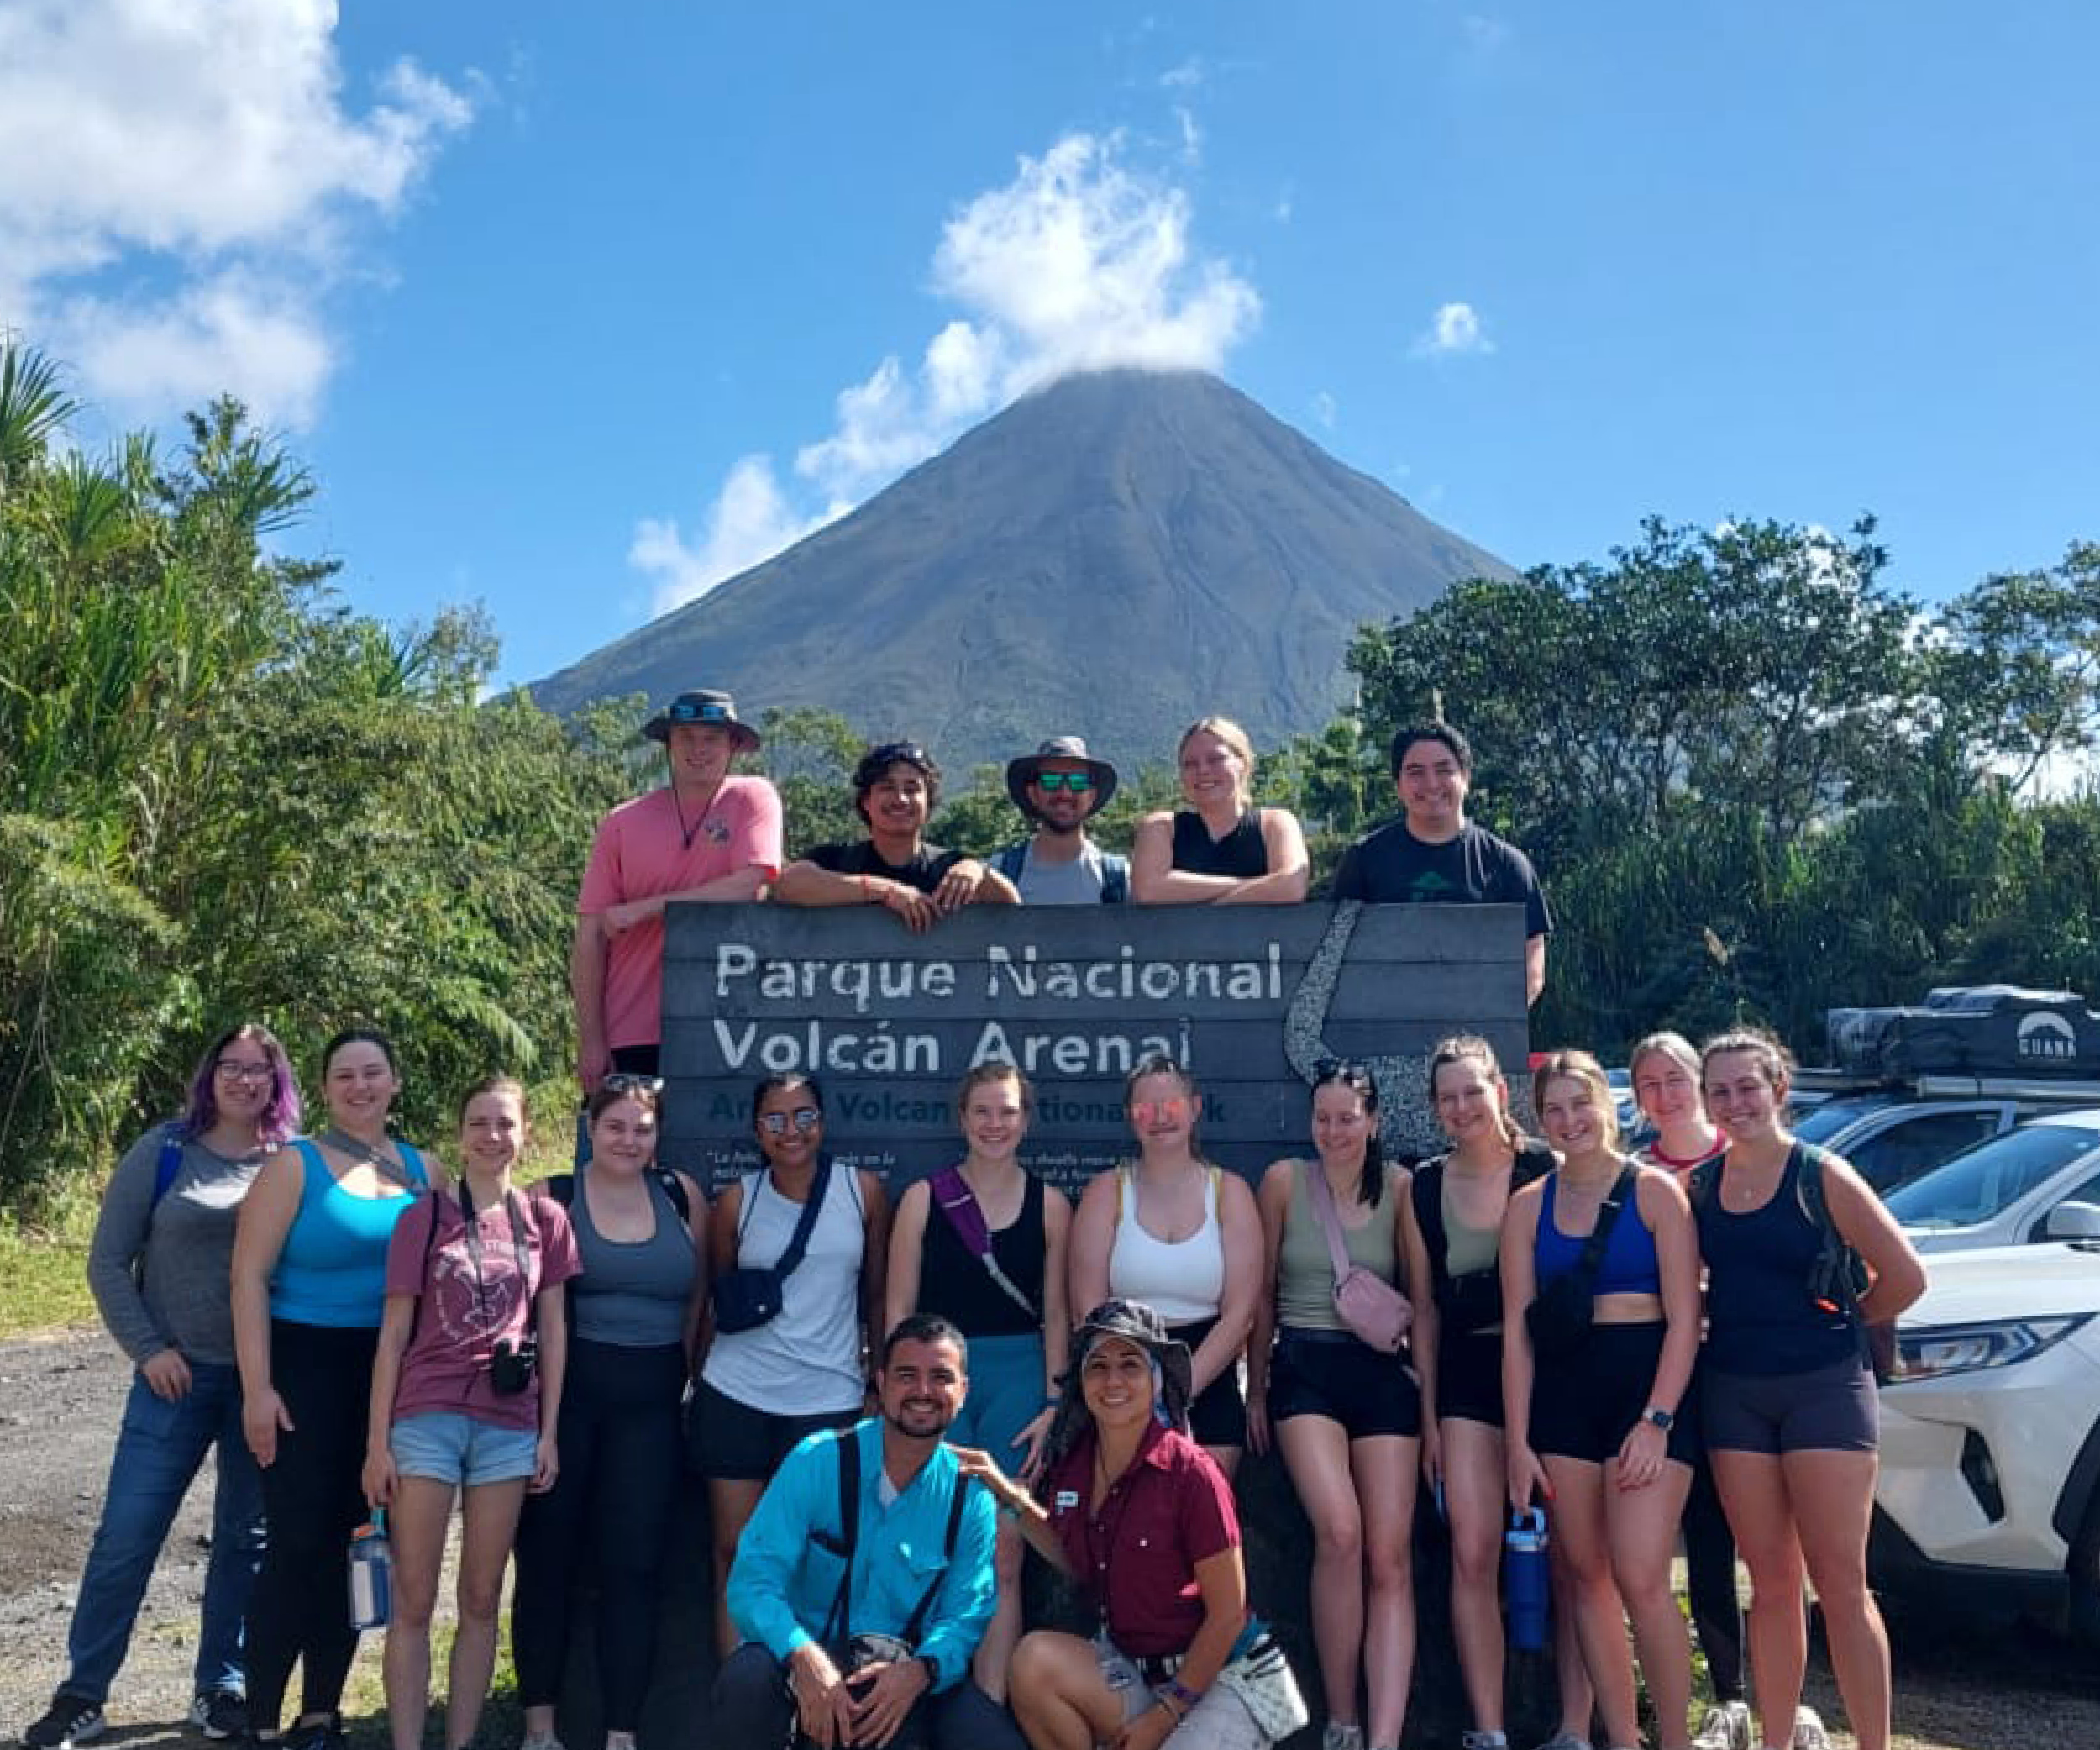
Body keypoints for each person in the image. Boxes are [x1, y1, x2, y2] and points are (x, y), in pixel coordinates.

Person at [24, 1025, 301, 1750]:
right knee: (126, 1535)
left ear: (278, 1083)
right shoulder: (165, 1150)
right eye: (232, 1066)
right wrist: (148, 1350)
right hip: (172, 1381)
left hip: (257, 1384)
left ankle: (221, 1688)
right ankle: (82, 1693)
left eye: (259, 1069)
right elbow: (108, 1262)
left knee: (247, 1539)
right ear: (209, 1075)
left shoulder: (292, 1163)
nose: (245, 1080)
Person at [1696, 1032, 1927, 1750]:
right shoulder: (1698, 1187)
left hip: (1825, 1388)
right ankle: (1774, 1740)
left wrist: (1842, 1324)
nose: (1735, 1102)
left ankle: (1871, 1743)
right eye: (1720, 1090)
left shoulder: (1819, 1173)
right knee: (1769, 1581)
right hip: (1735, 1392)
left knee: (1841, 1582)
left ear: (1778, 1090)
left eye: (1747, 1087)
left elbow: (1907, 1276)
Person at [963, 1299, 1308, 1750]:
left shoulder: (1192, 1472)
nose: (1113, 1381)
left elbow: (1227, 1616)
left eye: (1131, 1364)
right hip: (1135, 1670)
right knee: (1033, 1663)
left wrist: (1165, 1718)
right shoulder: (1074, 1463)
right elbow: (1074, 1556)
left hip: (1221, 1678)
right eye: (1098, 1366)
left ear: (1157, 1379)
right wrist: (1008, 1497)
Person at [231, 1029, 433, 1750]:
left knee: (358, 1546)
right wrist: (258, 1388)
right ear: (323, 1089)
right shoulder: (294, 1166)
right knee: (295, 1546)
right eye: (344, 1075)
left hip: (384, 1380)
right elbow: (248, 1276)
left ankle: (321, 1712)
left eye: (373, 1072)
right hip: (300, 1372)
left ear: (395, 1081)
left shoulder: (423, 1170)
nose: (360, 1086)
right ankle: (257, 1717)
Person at [363, 1077, 577, 1750]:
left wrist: (550, 1433)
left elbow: (555, 1329)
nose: (492, 1135)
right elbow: (393, 1335)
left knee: (482, 1595)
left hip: (509, 1426)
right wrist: (377, 1444)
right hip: (425, 1417)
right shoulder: (423, 1216)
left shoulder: (544, 1219)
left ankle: (459, 1741)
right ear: (459, 1134)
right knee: (415, 1596)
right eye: (479, 1122)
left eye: (505, 1123)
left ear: (525, 1132)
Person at [1502, 1052, 1702, 1750]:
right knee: (1585, 1575)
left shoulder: (1655, 1193)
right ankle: (1621, 1736)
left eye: (1579, 1103)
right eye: (1553, 1109)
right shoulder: (1528, 1208)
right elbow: (1518, 1334)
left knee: (1642, 1573)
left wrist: (1657, 1419)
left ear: (1606, 1104)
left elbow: (1684, 1318)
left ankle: (1673, 1736)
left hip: (1645, 1390)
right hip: (1563, 1398)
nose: (1568, 1120)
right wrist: (1518, 1439)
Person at [1399, 1036, 1588, 1750]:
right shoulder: (1422, 1185)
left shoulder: (1548, 1167)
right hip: (1467, 1380)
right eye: (1447, 1097)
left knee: (1577, 1556)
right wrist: (1430, 1420)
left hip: (1559, 1372)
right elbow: (1423, 1307)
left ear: (1501, 1091)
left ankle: (1574, 1724)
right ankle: (1489, 1727)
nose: (1461, 1107)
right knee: (1473, 1550)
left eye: (1472, 1091)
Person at [512, 1080, 706, 1750]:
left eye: (643, 1127)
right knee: (547, 1560)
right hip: (568, 1406)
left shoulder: (681, 1194)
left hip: (653, 1408)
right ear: (590, 1127)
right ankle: (540, 1726)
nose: (630, 1138)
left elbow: (697, 1305)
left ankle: (622, 1731)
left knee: (634, 1566)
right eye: (616, 1125)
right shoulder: (553, 1195)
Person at [714, 1313, 999, 1750]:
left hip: (902, 1677)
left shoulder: (971, 1498)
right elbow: (752, 1583)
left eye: (940, 1377)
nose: (923, 1392)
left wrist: (921, 1671)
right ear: (880, 1383)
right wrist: (803, 1658)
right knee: (747, 1677)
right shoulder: (817, 1460)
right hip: (804, 1667)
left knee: (989, 1738)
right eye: (907, 1375)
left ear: (963, 1391)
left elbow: (965, 1616)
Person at [1246, 1063, 1419, 1750]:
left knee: (1390, 1555)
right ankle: (1342, 1715)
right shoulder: (1285, 1182)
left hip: (1381, 1371)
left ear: (1373, 1121)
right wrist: (1255, 1384)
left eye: (1348, 1117)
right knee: (1340, 1531)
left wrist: (1428, 1399)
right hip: (1304, 1365)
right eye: (1324, 1118)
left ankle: (1384, 1731)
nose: (1335, 1130)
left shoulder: (1401, 1187)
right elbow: (1260, 1293)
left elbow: (1422, 1300)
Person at [886, 1064, 1071, 1701]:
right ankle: (919, 1697)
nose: (996, 1125)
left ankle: (986, 1713)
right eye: (983, 1112)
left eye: (1009, 1111)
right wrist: (899, 1388)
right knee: (925, 1546)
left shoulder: (1050, 1204)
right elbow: (898, 1308)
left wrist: (1053, 1399)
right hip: (935, 1382)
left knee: (1005, 1553)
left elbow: (1057, 1312)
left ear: (1026, 1119)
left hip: (1017, 1382)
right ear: (962, 1118)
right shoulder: (923, 1198)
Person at [696, 1073, 890, 1658]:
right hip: (737, 1394)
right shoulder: (737, 1200)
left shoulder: (862, 1192)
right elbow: (717, 1295)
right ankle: (739, 1689)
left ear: (822, 1121)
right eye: (776, 1120)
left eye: (803, 1116)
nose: (792, 1132)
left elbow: (876, 1295)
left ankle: (810, 1697)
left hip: (827, 1399)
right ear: (758, 1130)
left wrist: (878, 1379)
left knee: (817, 1555)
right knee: (736, 1549)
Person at [573, 688, 782, 1094]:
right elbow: (590, 936)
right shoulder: (621, 822)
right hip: (631, 1026)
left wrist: (644, 909)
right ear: (668, 743)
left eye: (711, 738)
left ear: (733, 746)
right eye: (686, 736)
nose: (698, 748)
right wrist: (591, 1039)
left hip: (726, 1022)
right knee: (624, 1149)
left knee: (723, 1154)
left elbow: (750, 882)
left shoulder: (751, 798)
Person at [1630, 1033, 1747, 1750]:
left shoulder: (1739, 1157)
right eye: (1650, 1083)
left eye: (1675, 1079)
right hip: (1671, 1363)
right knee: (1694, 1530)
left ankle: (1765, 1696)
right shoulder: (1639, 1173)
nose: (1665, 1094)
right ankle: (1719, 1694)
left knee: (1753, 1533)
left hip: (1742, 1358)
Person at [1069, 1055, 1263, 1477]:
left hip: (1208, 1374)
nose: (1159, 1118)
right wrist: (1136, 1384)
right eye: (1145, 1108)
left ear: (1194, 1109)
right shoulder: (1106, 1192)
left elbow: (1241, 1312)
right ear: (1129, 1118)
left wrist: (1179, 1385)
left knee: (1204, 1522)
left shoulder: (1229, 1192)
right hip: (1123, 1369)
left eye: (1171, 1106)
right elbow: (1089, 1309)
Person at [1331, 721, 1551, 1006]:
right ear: (1398, 785)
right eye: (1416, 773)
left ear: (1466, 778)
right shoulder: (1363, 859)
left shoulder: (1506, 863)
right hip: (1382, 1031)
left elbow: (1532, 961)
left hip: (1478, 1042)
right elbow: (1336, 950)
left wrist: (1494, 1017)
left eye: (1444, 770)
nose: (1431, 784)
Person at [774, 740, 1019, 930]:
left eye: (912, 789)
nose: (900, 799)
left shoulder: (950, 869)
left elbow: (1014, 911)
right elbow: (787, 885)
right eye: (887, 788)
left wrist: (978, 871)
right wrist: (886, 892)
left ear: (928, 802)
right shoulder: (837, 861)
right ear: (866, 802)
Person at [1131, 717, 1310, 905]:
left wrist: (1216, 903)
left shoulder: (1276, 824)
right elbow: (1147, 890)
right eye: (1190, 764)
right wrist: (1258, 887)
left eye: (1216, 759)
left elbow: (1291, 886)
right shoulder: (1161, 827)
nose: (1203, 770)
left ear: (1243, 764)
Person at [990, 736, 1130, 903]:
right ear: (1033, 794)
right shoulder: (997, 875)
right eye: (1051, 781)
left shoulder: (1120, 882)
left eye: (1078, 782)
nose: (1065, 793)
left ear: (1092, 796)